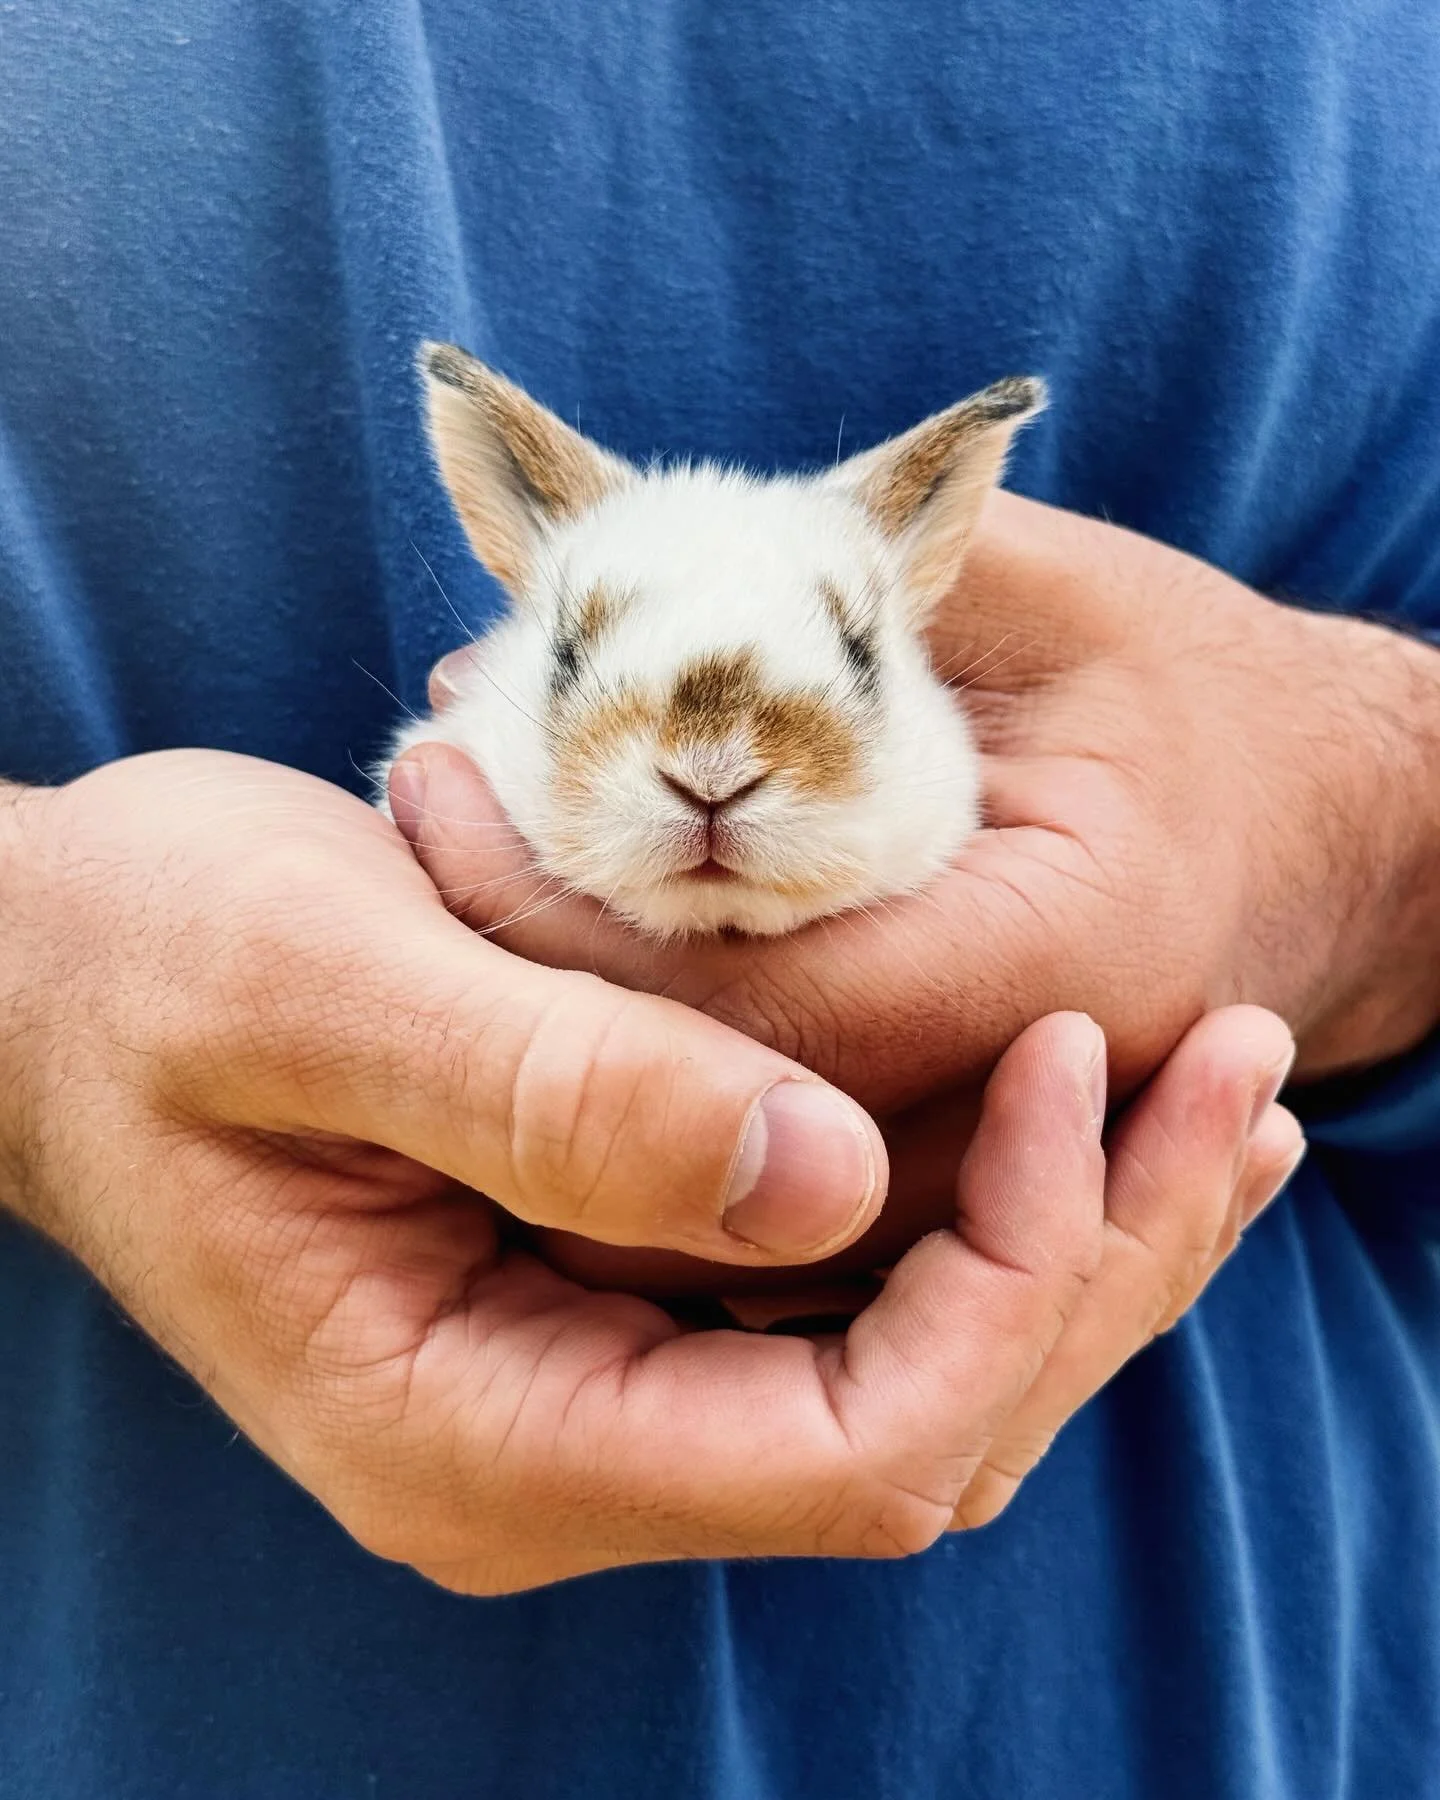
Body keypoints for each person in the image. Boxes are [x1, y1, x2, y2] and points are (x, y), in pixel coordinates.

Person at [1, 6, 1437, 1798]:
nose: (711, 765)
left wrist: (1358, 817)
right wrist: (35, 990)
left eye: (841, 663)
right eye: (586, 657)